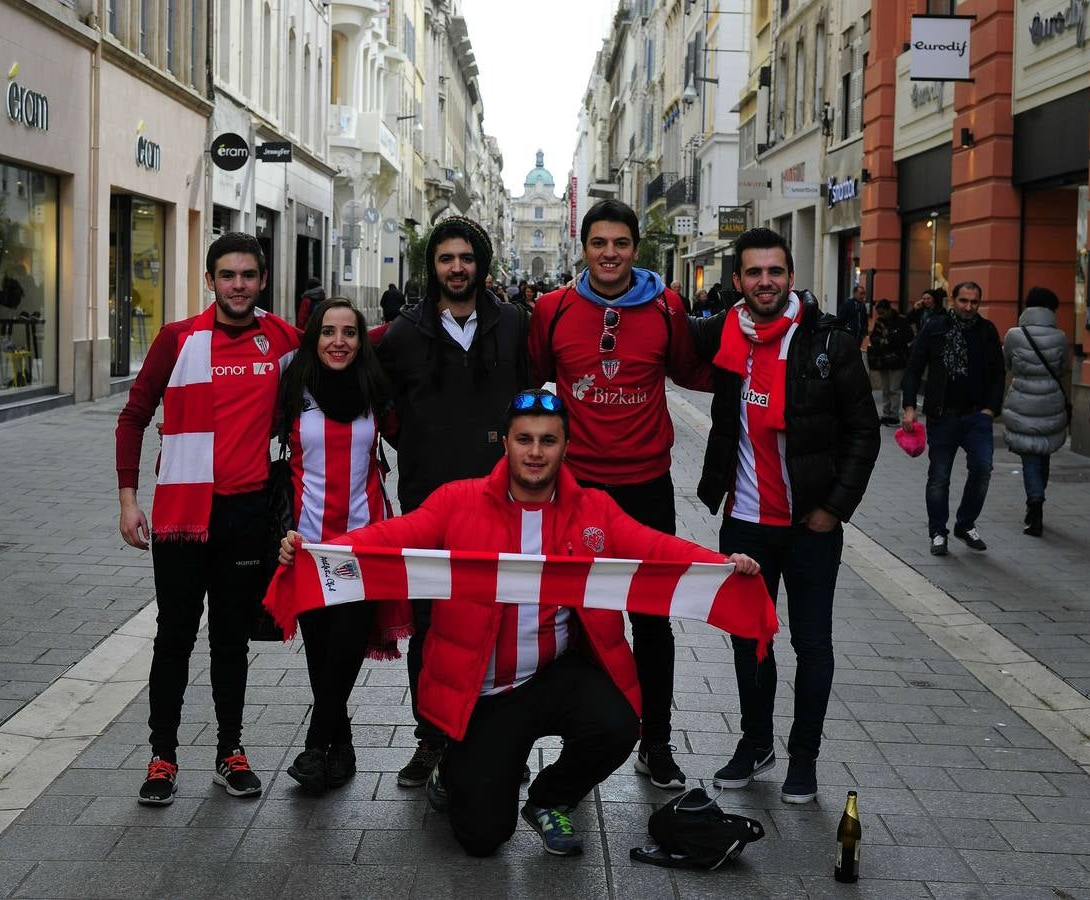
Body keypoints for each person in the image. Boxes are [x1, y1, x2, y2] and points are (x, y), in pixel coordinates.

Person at [277, 389, 763, 856]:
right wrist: (317, 553)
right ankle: (456, 768)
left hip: (554, 675)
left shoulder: (594, 509)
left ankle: (551, 797)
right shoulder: (457, 501)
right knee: (482, 839)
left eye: (548, 440)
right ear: (505, 442)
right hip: (484, 693)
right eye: (525, 439)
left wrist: (722, 564)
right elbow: (390, 539)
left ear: (566, 447)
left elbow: (657, 551)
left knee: (617, 724)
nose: (536, 452)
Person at [690, 228, 880, 804]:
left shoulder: (829, 343)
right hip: (745, 520)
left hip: (808, 525)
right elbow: (661, 330)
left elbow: (864, 434)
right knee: (749, 641)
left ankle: (804, 756)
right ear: (738, 282)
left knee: (811, 644)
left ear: (790, 278)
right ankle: (755, 743)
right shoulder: (726, 339)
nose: (765, 282)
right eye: (753, 273)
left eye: (775, 272)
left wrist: (832, 509)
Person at [115, 232, 301, 805]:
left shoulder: (283, 340)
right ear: (210, 280)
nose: (238, 285)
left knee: (229, 639)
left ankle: (229, 751)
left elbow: (344, 358)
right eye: (228, 275)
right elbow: (134, 415)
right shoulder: (178, 340)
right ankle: (162, 756)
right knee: (173, 635)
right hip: (181, 515)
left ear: (262, 281)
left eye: (248, 275)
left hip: (247, 515)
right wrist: (128, 500)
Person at [530, 198, 709, 790]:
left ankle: (655, 742)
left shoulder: (666, 305)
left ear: (636, 249)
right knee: (572, 618)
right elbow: (530, 381)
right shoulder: (552, 309)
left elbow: (689, 370)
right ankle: (576, 751)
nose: (610, 254)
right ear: (583, 248)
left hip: (647, 487)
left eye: (621, 244)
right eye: (599, 243)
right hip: (576, 491)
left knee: (651, 619)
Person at [375, 215, 532, 788]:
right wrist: (421, 446)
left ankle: (497, 738)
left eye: (466, 258)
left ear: (481, 262)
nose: (458, 268)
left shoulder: (513, 324)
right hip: (429, 502)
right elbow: (385, 407)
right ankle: (431, 737)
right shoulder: (403, 334)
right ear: (433, 267)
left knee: (504, 616)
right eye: (447, 259)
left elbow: (534, 402)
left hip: (506, 501)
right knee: (431, 623)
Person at [277, 298, 401, 794]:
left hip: (362, 544)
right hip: (306, 544)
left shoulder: (376, 388)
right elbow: (269, 458)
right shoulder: (292, 388)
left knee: (346, 646)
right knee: (321, 652)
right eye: (327, 331)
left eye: (349, 332)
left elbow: (409, 438)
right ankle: (342, 748)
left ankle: (313, 747)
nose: (338, 341)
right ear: (314, 337)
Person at [901, 281, 1005, 556]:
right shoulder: (935, 327)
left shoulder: (987, 331)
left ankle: (965, 523)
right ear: (953, 301)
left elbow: (998, 374)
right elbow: (914, 368)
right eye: (964, 301)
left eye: (974, 302)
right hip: (942, 416)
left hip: (977, 417)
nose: (969, 307)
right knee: (939, 477)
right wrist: (909, 406)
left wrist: (992, 409)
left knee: (982, 470)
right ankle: (938, 531)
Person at [1002, 287, 1070, 537]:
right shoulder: (1060, 336)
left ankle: (1035, 502)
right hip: (1051, 399)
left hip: (1022, 399)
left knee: (1029, 454)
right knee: (1044, 451)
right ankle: (1038, 497)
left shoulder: (1013, 335)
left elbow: (1008, 363)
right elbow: (1063, 368)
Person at [867, 299, 914, 426]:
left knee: (894, 388)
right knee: (886, 389)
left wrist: (890, 340)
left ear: (889, 310)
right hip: (883, 359)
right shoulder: (880, 322)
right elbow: (874, 338)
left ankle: (893, 415)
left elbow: (908, 336)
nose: (881, 316)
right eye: (879, 313)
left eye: (882, 313)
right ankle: (886, 413)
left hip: (897, 359)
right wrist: (883, 341)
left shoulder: (900, 321)